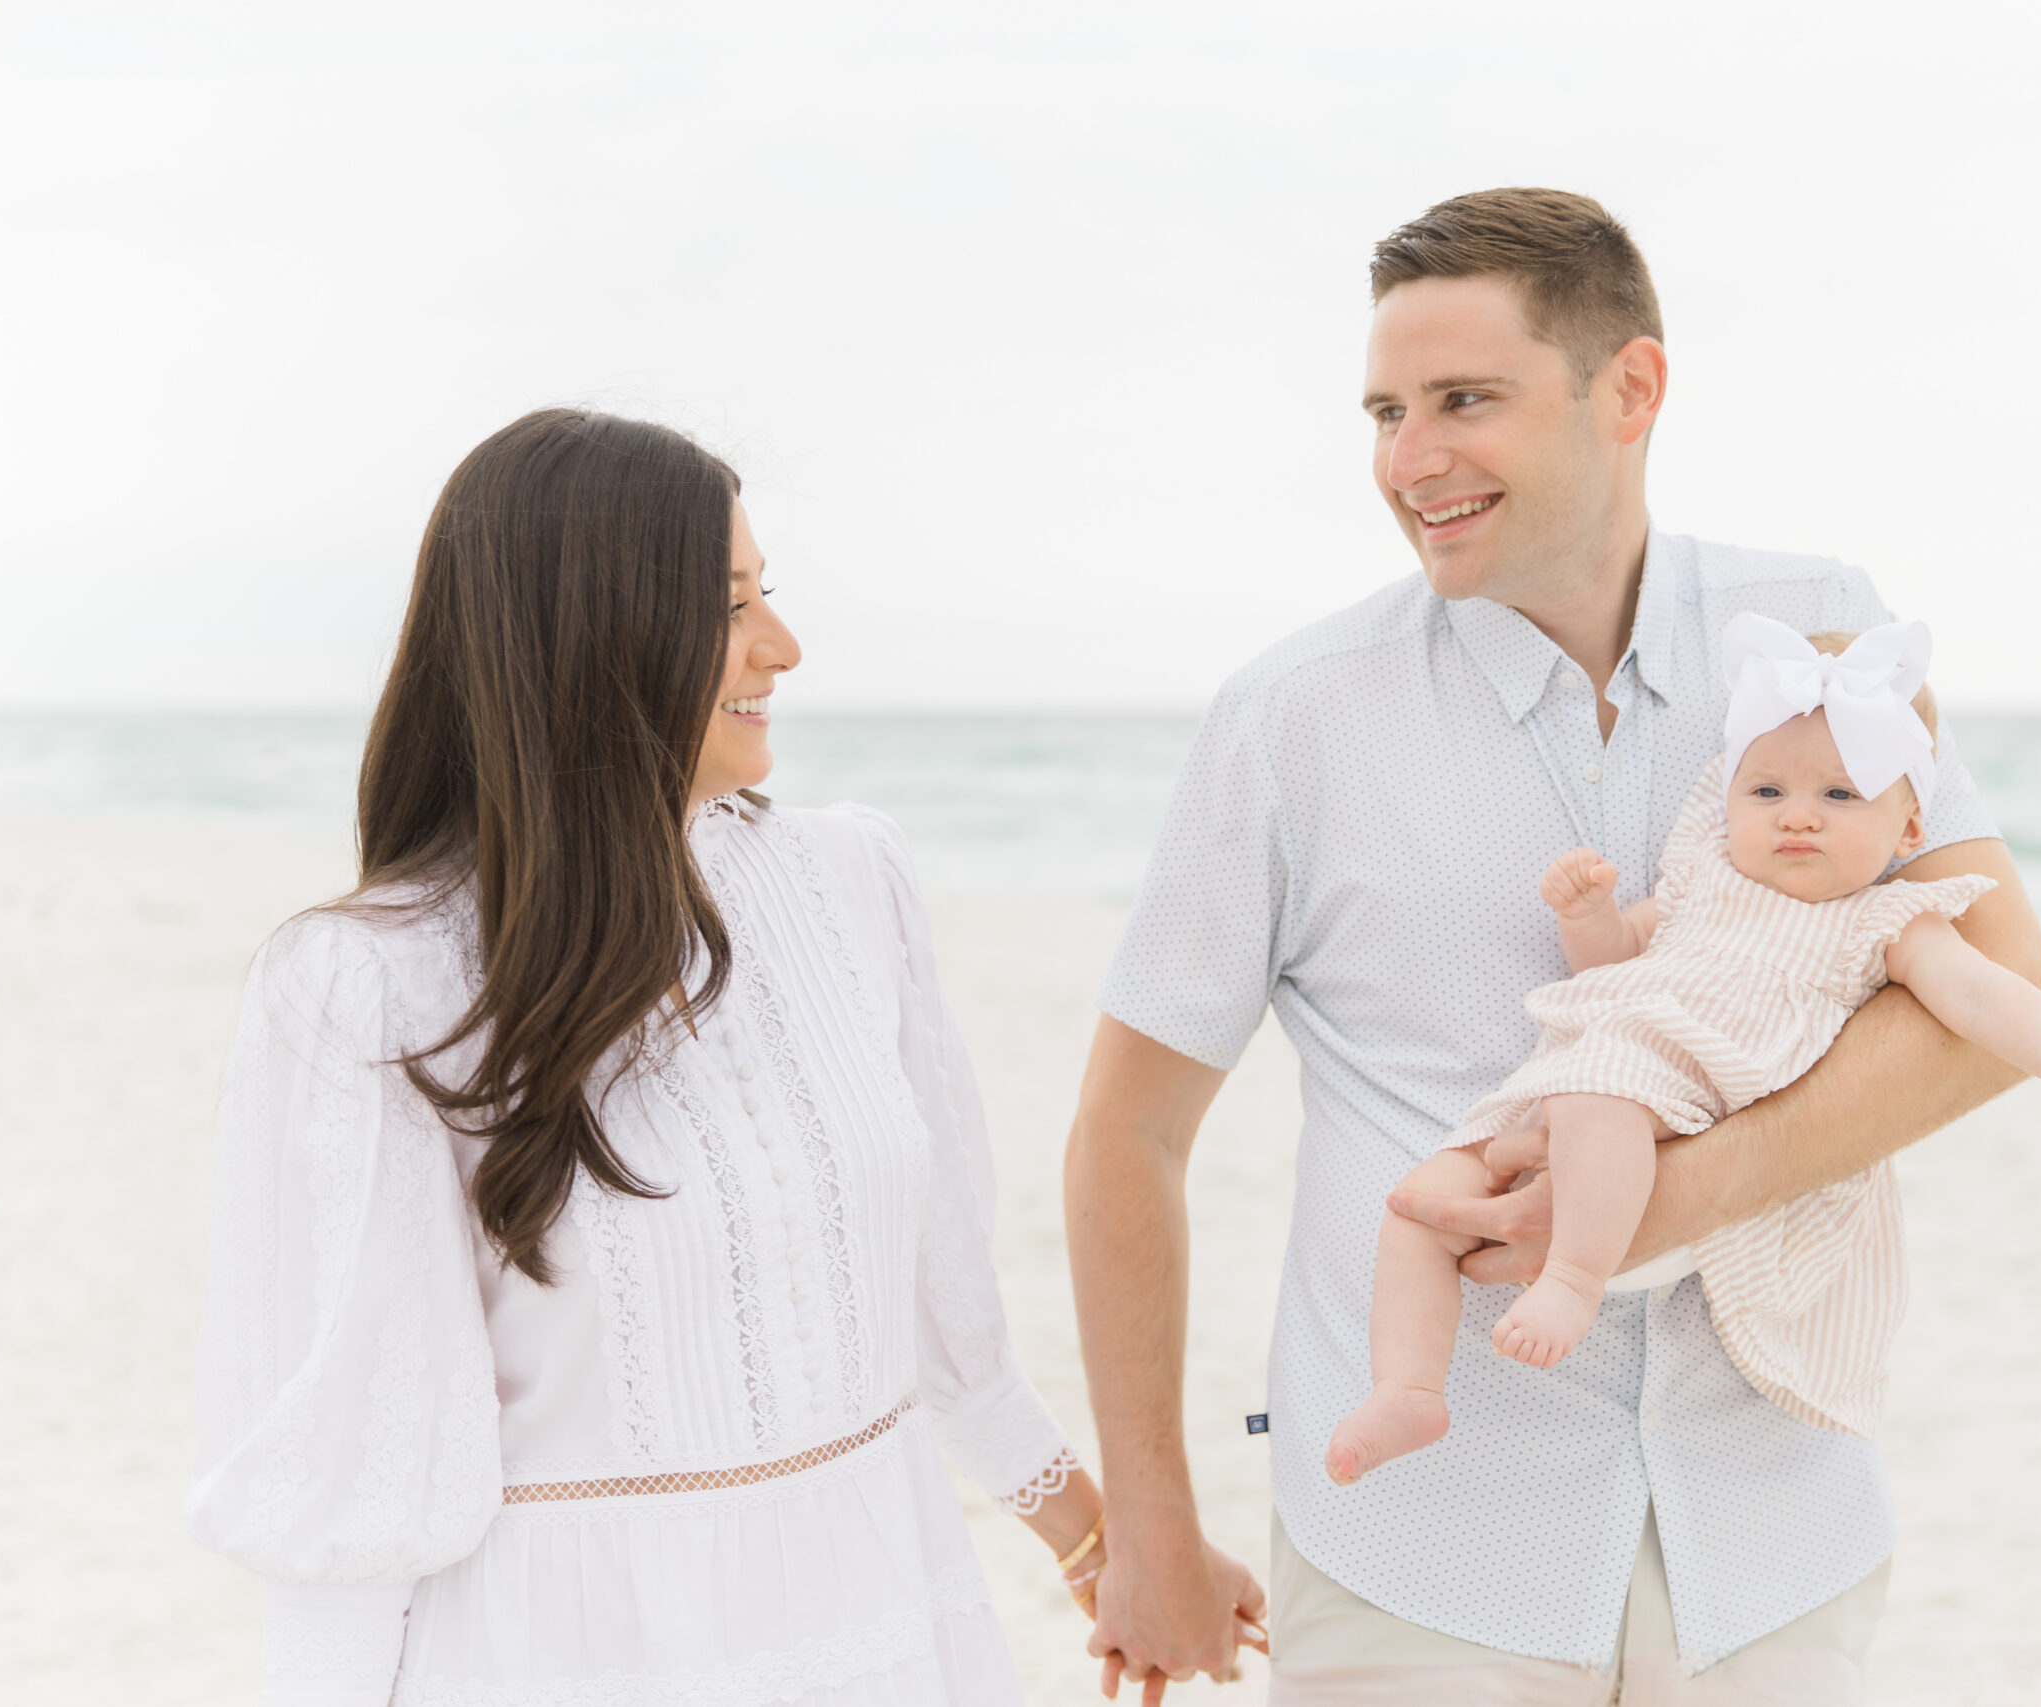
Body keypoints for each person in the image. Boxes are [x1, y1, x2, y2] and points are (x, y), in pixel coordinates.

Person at [1067, 187, 2041, 1704]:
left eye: (1467, 398)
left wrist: (1667, 1201)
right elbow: (1128, 1133)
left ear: (1632, 389)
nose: (1411, 459)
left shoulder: (1825, 637)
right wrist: (1149, 1526)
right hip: (1419, 1549)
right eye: (1387, 410)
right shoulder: (1290, 718)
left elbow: (2001, 997)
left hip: (1774, 1525)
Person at [186, 410, 1263, 1706]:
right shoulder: (370, 978)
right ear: (592, 641)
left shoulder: (850, 878)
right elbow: (361, 1476)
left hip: (885, 1609)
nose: (783, 647)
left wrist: (1112, 1542)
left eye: (769, 594)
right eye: (727, 605)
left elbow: (943, 1321)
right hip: (571, 1653)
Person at [1326, 617, 2041, 1484]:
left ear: (1909, 832)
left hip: (1685, 1109)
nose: (1797, 816)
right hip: (1591, 1078)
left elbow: (1988, 993)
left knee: (1598, 1097)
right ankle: (1407, 1385)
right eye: (1766, 793)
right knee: (1425, 1196)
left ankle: (1571, 1277)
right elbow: (1613, 961)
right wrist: (1588, 916)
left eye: (1839, 796)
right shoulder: (1704, 877)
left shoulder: (1887, 922)